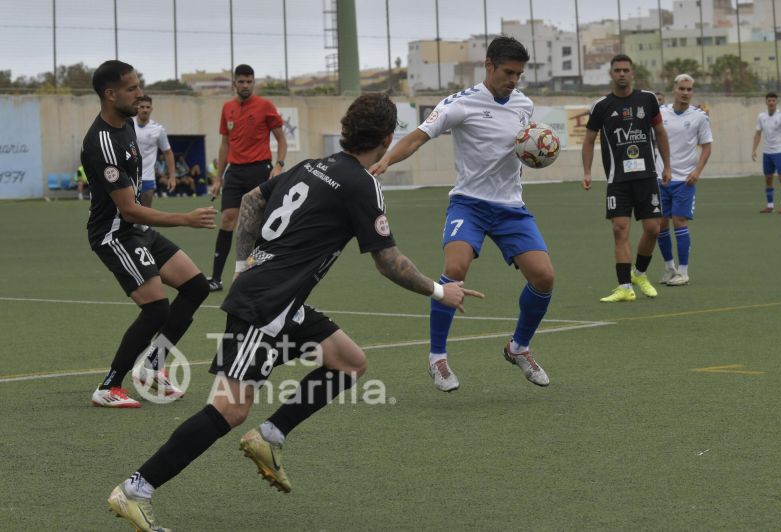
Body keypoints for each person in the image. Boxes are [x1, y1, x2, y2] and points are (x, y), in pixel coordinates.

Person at [107, 93, 483, 529]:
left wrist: (245, 264)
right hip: (265, 305)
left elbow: (249, 201)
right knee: (230, 410)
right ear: (386, 138)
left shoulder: (310, 165)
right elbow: (388, 262)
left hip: (281, 300)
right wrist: (441, 291)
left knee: (349, 362)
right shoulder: (363, 183)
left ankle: (271, 435)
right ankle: (137, 488)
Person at [371, 36, 554, 392]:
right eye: (507, 72)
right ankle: (437, 358)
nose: (513, 80)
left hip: (511, 208)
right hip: (469, 203)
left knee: (544, 277)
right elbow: (419, 136)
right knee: (455, 270)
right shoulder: (460, 104)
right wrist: (387, 159)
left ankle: (519, 347)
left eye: (519, 74)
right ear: (488, 66)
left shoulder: (524, 105)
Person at [82, 60, 216, 408]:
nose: (140, 94)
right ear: (110, 94)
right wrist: (185, 219)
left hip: (137, 229)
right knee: (156, 308)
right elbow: (127, 209)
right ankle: (109, 386)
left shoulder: (127, 126)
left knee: (196, 286)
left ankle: (153, 366)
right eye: (132, 88)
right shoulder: (102, 144)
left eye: (138, 86)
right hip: (115, 234)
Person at [581, 54, 671, 302]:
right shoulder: (601, 106)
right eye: (617, 70)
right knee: (620, 230)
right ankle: (624, 287)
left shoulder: (648, 100)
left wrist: (667, 166)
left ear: (633, 73)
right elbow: (589, 140)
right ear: (611, 74)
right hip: (617, 180)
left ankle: (639, 274)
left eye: (626, 70)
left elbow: (660, 133)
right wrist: (587, 171)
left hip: (647, 177)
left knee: (654, 228)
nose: (622, 74)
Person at [207, 64, 288, 292]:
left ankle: (259, 275)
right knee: (227, 220)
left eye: (249, 81)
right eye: (241, 81)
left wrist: (279, 165)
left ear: (254, 82)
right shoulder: (227, 108)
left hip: (260, 170)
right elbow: (225, 144)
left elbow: (281, 139)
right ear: (234, 83)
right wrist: (218, 178)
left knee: (258, 226)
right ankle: (216, 278)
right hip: (234, 172)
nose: (245, 85)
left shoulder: (265, 106)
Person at [655, 74, 713, 287]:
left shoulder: (699, 117)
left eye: (689, 89)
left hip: (685, 179)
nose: (686, 93)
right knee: (660, 224)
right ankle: (669, 268)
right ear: (674, 89)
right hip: (661, 178)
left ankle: (683, 271)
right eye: (682, 89)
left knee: (679, 221)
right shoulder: (661, 113)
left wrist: (697, 171)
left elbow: (707, 146)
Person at [752, 92, 781, 214]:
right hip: (767, 153)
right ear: (766, 102)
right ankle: (770, 206)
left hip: (779, 152)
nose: (771, 103)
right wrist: (754, 149)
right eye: (769, 100)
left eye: (773, 101)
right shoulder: (761, 116)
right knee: (768, 178)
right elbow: (758, 133)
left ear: (776, 102)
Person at [134, 95, 176, 207]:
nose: (145, 110)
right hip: (128, 177)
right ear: (137, 108)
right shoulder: (127, 125)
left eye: (147, 107)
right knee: (126, 215)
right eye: (142, 107)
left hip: (147, 178)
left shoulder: (158, 129)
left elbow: (168, 152)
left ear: (152, 109)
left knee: (146, 214)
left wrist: (172, 177)